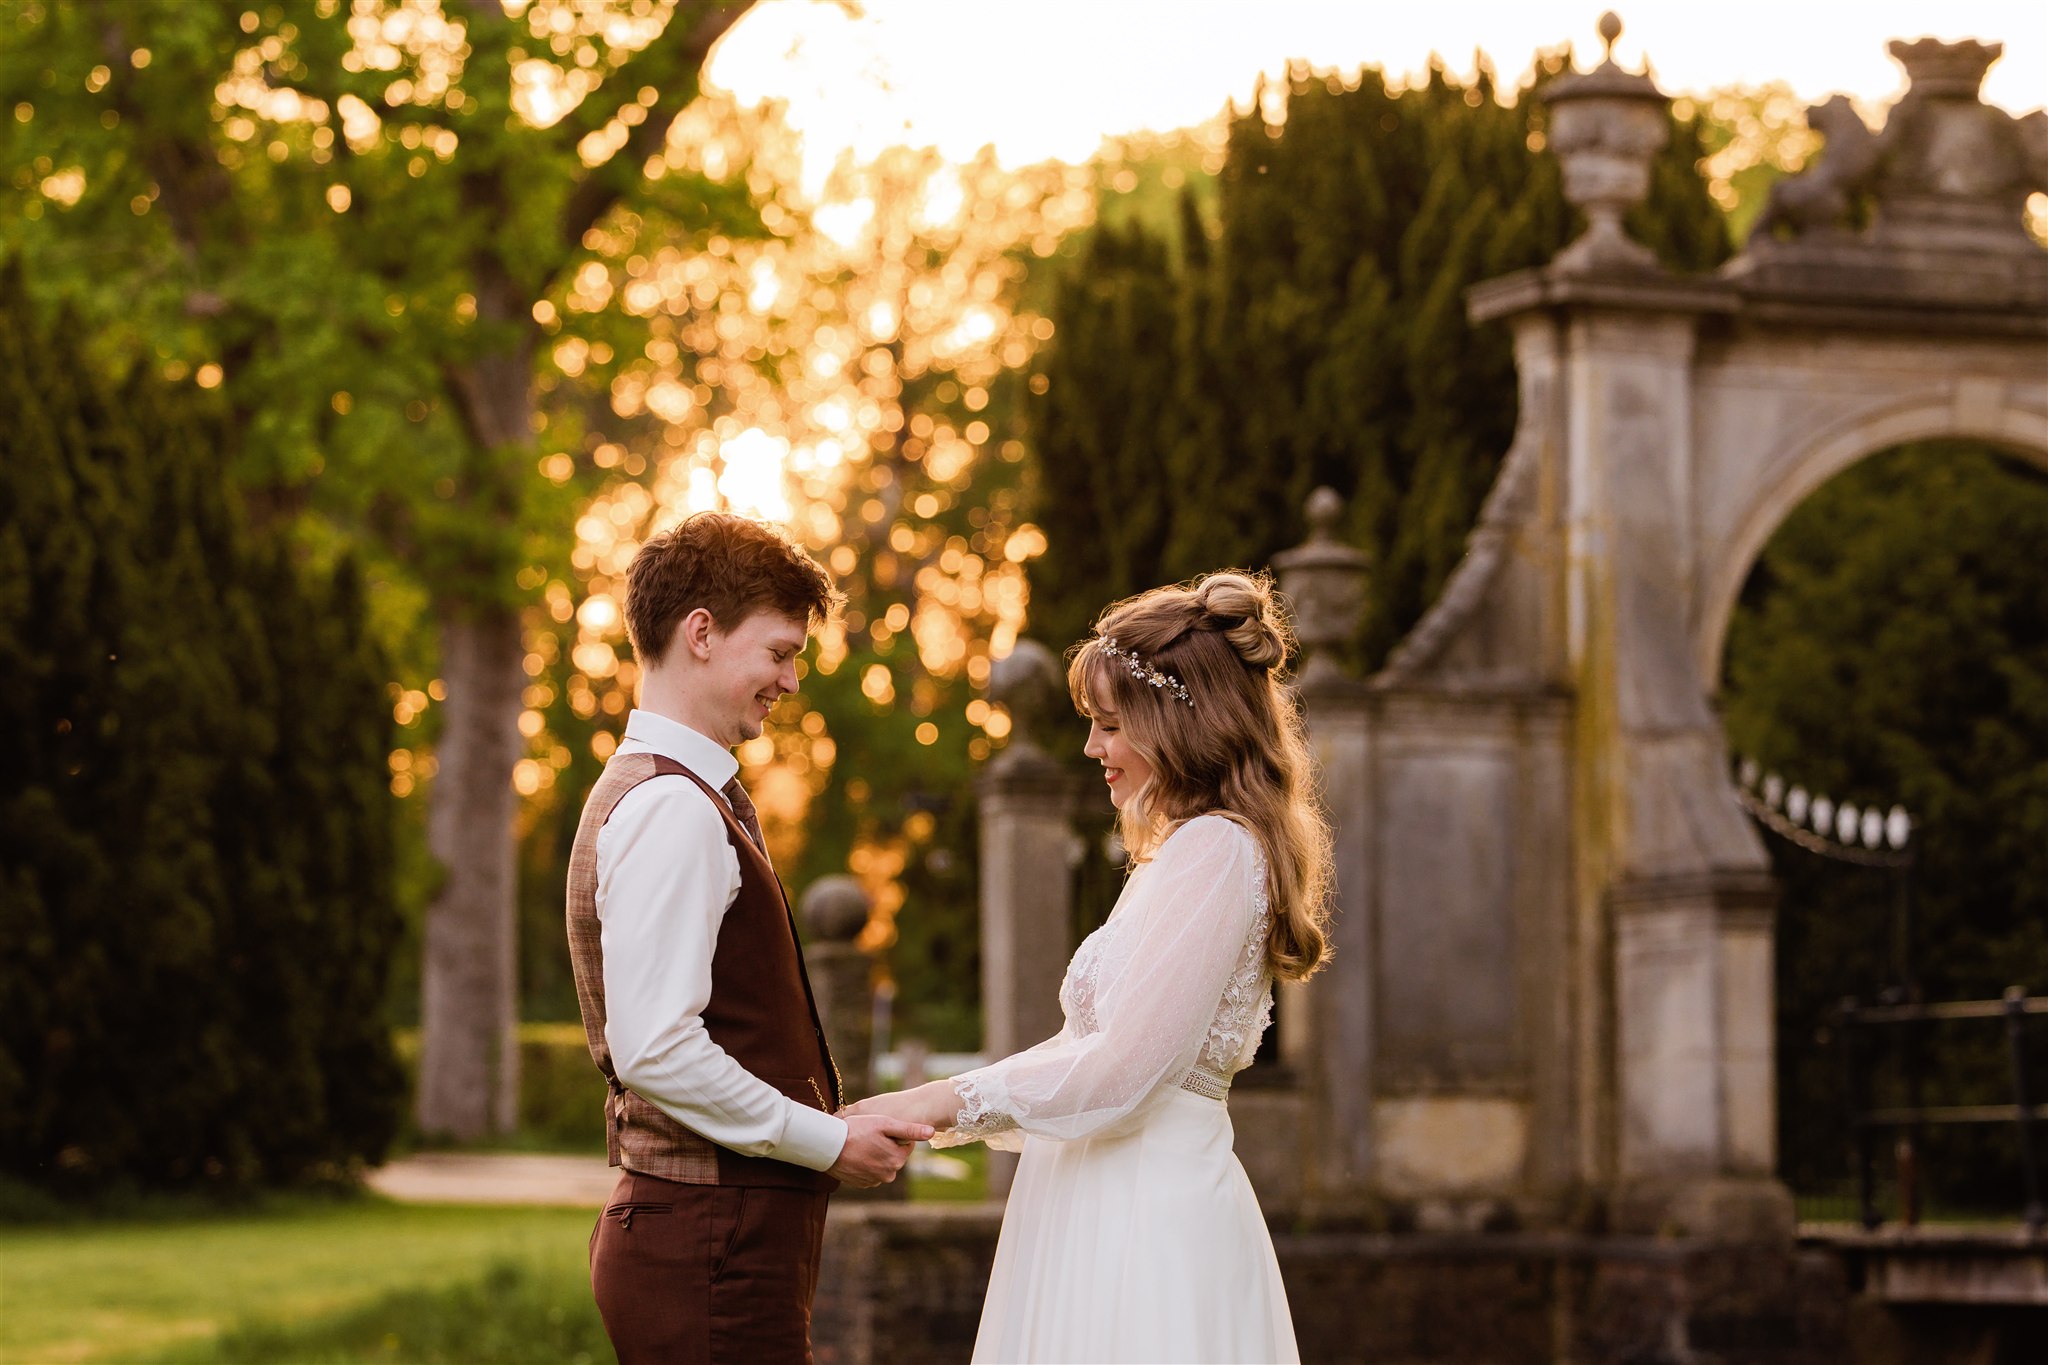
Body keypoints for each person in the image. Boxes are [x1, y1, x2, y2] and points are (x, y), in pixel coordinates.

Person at [853, 570, 1332, 1364]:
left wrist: (939, 1100)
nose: (1091, 748)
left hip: (1147, 1212)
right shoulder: (1180, 855)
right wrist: (921, 1110)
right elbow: (1088, 1048)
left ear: (1180, 725)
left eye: (1109, 725)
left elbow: (1121, 1070)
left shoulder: (1215, 850)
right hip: (1103, 1191)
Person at [566, 512, 933, 1365]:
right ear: (701, 632)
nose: (791, 680)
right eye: (778, 651)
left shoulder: (682, 795)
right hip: (709, 1249)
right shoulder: (673, 808)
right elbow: (655, 1047)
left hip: (714, 1243)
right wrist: (830, 1139)